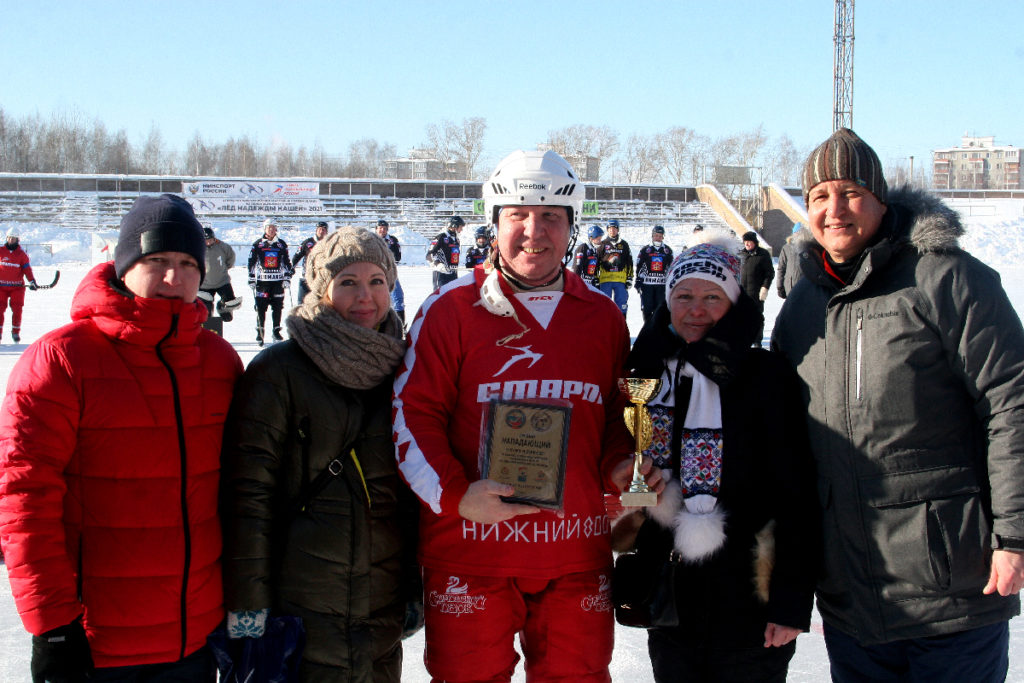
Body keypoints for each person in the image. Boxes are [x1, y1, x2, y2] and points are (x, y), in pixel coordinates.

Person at [393, 149, 662, 682]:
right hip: (473, 551)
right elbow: (412, 416)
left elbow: (615, 417)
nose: (533, 231)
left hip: (575, 551)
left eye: (550, 218)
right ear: (495, 224)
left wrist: (619, 466)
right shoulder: (447, 310)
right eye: (517, 214)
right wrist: (455, 496)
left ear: (571, 227)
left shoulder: (603, 318)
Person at [771, 127, 1024, 682]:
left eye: (850, 193)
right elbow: (783, 437)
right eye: (818, 197)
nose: (834, 210)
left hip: (951, 586)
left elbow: (1011, 404)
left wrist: (1015, 534)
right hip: (851, 595)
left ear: (882, 200)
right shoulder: (805, 305)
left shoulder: (948, 279)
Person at [0, 193, 243, 681]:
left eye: (186, 263)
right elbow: (24, 497)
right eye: (157, 261)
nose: (174, 277)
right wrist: (51, 625)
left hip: (194, 639)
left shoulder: (219, 361)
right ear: (124, 265)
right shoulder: (61, 360)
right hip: (95, 645)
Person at [222, 226, 418, 681]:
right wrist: (249, 608)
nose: (365, 296)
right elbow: (249, 497)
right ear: (320, 287)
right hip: (299, 601)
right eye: (347, 282)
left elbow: (410, 496)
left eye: (377, 281)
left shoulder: (407, 367)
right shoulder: (279, 370)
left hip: (380, 604)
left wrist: (413, 587)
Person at [623, 232, 817, 682]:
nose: (696, 309)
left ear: (733, 302)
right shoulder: (648, 374)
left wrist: (789, 602)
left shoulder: (765, 376)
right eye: (684, 295)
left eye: (713, 297)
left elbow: (797, 494)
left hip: (749, 599)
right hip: (671, 598)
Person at [248, 218, 293, 346]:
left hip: (277, 282)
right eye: (269, 227)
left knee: (277, 307)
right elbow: (251, 261)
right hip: (263, 283)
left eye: (273, 227)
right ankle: (260, 332)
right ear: (265, 229)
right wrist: (251, 277)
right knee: (261, 308)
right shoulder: (258, 245)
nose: (271, 230)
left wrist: (287, 277)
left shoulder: (281, 244)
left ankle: (276, 330)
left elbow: (286, 262)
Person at [199, 225, 242, 321]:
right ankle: (208, 327)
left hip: (222, 281)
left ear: (214, 238)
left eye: (210, 239)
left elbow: (231, 257)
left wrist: (224, 268)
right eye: (206, 240)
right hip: (205, 284)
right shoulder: (198, 248)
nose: (209, 242)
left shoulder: (223, 246)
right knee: (205, 311)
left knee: (229, 306)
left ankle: (222, 307)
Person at [0, 232, 37, 342]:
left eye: (14, 238)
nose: (11, 240)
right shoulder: (1, 251)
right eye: (10, 238)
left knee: (17, 309)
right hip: (1, 287)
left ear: (18, 240)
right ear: (7, 238)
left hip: (17, 287)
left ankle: (15, 332)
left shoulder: (21, 254)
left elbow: (27, 269)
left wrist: (32, 281)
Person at [739, 230, 774, 347]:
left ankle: (757, 341)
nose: (747, 244)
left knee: (757, 318)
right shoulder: (741, 254)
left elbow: (769, 273)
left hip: (756, 293)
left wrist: (765, 288)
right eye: (745, 242)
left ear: (754, 242)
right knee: (742, 318)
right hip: (742, 293)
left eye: (749, 242)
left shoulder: (762, 255)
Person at [634, 225, 674, 323]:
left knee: (660, 310)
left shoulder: (667, 251)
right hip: (647, 285)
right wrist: (638, 280)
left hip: (661, 285)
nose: (658, 238)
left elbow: (671, 268)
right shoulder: (645, 250)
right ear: (652, 236)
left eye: (660, 236)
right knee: (647, 309)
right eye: (656, 235)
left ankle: (658, 332)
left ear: (663, 237)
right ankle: (647, 330)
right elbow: (639, 265)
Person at [598, 218, 633, 317]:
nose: (612, 231)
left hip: (620, 280)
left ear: (618, 230)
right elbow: (597, 262)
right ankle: (605, 329)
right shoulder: (602, 244)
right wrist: (596, 278)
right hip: (605, 280)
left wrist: (630, 278)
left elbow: (629, 262)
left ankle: (621, 329)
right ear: (607, 230)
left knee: (621, 306)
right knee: (604, 305)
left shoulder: (624, 244)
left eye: (614, 228)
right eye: (610, 229)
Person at [376, 218, 406, 324]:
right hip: (376, 274)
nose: (382, 230)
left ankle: (401, 325)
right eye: (380, 228)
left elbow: (398, 256)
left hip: (390, 273)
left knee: (398, 297)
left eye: (384, 228)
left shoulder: (392, 240)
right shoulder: (371, 240)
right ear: (376, 229)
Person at [292, 220, 328, 303]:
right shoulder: (308, 242)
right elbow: (297, 256)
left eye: (324, 229)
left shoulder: (328, 244)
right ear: (316, 230)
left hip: (321, 280)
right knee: (302, 304)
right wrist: (291, 267)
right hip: (307, 278)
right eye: (319, 229)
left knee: (320, 304)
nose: (321, 231)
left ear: (326, 231)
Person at [426, 215, 464, 290]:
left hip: (453, 274)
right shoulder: (441, 237)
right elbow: (429, 255)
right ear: (454, 226)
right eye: (460, 227)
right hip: (441, 274)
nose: (461, 229)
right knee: (440, 298)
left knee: (453, 298)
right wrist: (438, 265)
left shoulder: (456, 240)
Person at [774, 222, 805, 300]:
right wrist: (780, 286)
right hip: (790, 287)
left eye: (801, 233)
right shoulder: (786, 248)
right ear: (793, 234)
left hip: (806, 288)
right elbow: (781, 268)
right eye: (797, 232)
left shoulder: (809, 247)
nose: (798, 235)